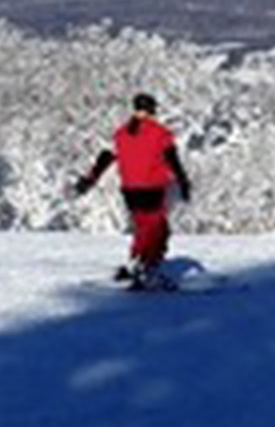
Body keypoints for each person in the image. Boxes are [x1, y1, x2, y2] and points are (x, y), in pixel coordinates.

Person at [73, 92, 192, 289]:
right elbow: (172, 160)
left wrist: (90, 179)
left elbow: (105, 158)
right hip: (152, 187)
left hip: (130, 189)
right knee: (158, 229)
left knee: (143, 227)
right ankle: (148, 268)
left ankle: (135, 262)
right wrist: (183, 182)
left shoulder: (120, 133)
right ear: (153, 110)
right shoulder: (161, 133)